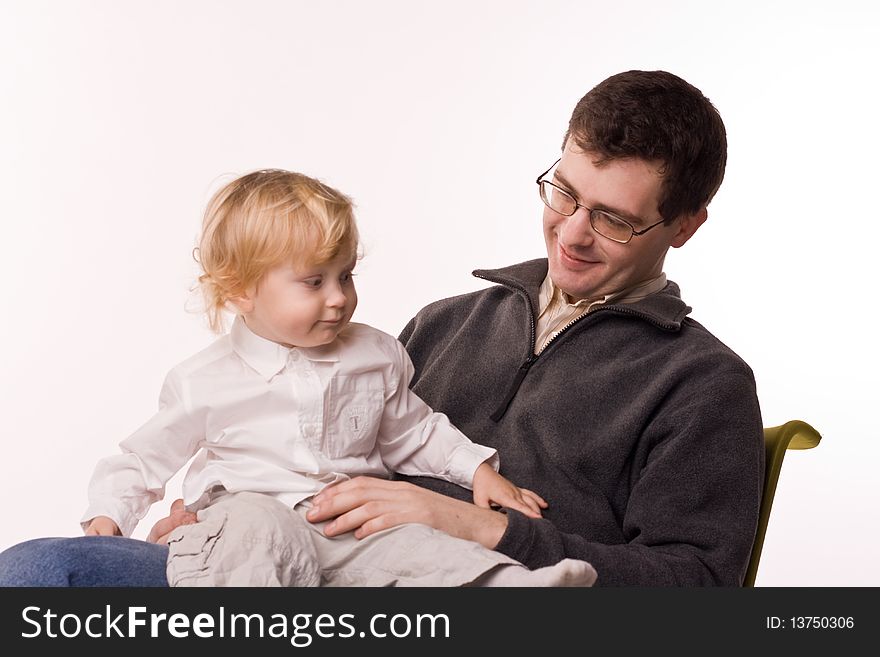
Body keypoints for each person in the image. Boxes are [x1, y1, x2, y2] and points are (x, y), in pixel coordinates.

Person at [0, 69, 763, 587]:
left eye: (614, 220)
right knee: (38, 575)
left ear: (685, 225)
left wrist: (479, 527)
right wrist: (205, 509)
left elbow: (693, 588)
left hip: (447, 590)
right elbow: (307, 435)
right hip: (301, 562)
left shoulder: (700, 383)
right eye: (564, 192)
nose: (570, 233)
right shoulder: (440, 326)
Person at [57, 169, 600, 587]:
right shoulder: (205, 380)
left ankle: (519, 590)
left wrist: (477, 470)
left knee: (419, 547)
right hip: (246, 518)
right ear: (241, 291)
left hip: (346, 522)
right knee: (252, 532)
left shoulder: (374, 354)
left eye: (345, 275)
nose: (339, 297)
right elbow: (142, 459)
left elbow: (413, 432)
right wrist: (109, 513)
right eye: (313, 282)